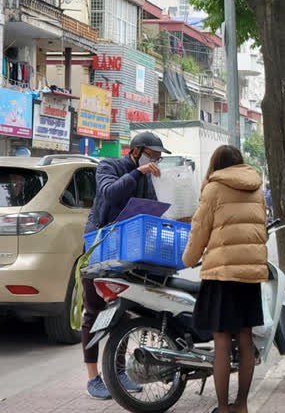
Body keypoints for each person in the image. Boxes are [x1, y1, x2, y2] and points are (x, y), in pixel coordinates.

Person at [82, 131, 170, 400]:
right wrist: (137, 172)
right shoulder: (109, 166)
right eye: (152, 155)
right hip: (100, 246)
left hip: (130, 249)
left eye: (157, 157)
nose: (155, 160)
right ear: (136, 151)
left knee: (126, 309)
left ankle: (118, 370)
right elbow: (109, 194)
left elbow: (154, 207)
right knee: (94, 311)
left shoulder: (148, 177)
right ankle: (93, 377)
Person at [182, 145, 268, 413]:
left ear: (216, 164)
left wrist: (187, 259)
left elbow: (199, 230)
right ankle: (241, 405)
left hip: (222, 274)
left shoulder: (213, 188)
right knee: (245, 339)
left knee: (221, 340)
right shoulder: (256, 189)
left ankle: (222, 407)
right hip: (250, 275)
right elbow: (261, 228)